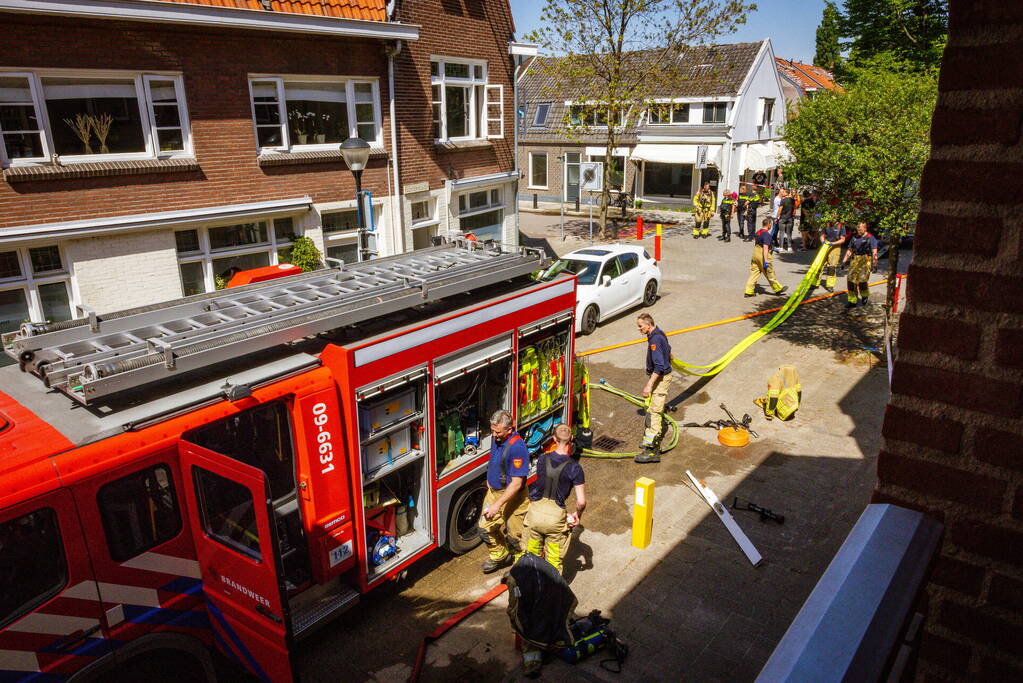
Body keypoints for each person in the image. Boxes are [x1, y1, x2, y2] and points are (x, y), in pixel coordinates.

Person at [523, 424, 586, 574]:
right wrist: (577, 515)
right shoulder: (575, 468)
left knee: (531, 556)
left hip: (535, 514)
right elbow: (581, 502)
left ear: (553, 439)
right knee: (553, 561)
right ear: (571, 439)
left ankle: (531, 587)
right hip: (555, 518)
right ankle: (550, 592)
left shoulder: (542, 459)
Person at [478, 409, 530, 573]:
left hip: (513, 498)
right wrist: (490, 478)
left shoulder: (517, 448)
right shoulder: (498, 438)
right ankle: (500, 556)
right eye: (492, 431)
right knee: (485, 529)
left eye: (497, 432)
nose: (494, 435)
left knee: (516, 538)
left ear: (510, 429)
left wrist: (497, 505)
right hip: (495, 492)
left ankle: (520, 569)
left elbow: (516, 484)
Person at [635, 313, 671, 463]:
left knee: (655, 412)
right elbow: (668, 348)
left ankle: (652, 451)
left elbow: (659, 366)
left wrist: (649, 385)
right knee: (651, 410)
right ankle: (649, 441)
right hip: (660, 377)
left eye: (640, 326)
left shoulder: (655, 339)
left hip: (660, 379)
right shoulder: (658, 333)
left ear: (648, 325)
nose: (639, 329)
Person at [745, 217, 788, 298]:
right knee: (769, 272)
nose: (771, 226)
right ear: (768, 225)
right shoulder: (767, 235)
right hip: (763, 255)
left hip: (755, 253)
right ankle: (778, 289)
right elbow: (765, 248)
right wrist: (765, 261)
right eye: (771, 224)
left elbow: (759, 243)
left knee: (754, 273)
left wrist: (773, 248)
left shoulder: (758, 232)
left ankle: (748, 291)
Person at [841, 221, 878, 309]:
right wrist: (844, 261)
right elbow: (850, 250)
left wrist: (875, 264)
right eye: (857, 228)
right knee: (850, 280)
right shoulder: (854, 238)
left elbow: (874, 252)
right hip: (855, 260)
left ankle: (864, 296)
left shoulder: (870, 238)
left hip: (866, 260)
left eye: (860, 228)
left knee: (862, 280)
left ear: (865, 228)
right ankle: (852, 301)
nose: (858, 230)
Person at [818, 220, 846, 292]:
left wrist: (833, 243)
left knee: (831, 267)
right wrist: (823, 242)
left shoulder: (841, 226)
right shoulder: (827, 223)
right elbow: (822, 235)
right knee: (819, 265)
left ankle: (830, 285)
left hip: (835, 247)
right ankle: (815, 283)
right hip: (825, 246)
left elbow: (843, 239)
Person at [775, 188, 796, 252]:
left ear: (787, 193)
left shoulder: (783, 200)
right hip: (790, 218)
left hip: (783, 218)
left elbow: (780, 209)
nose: (782, 193)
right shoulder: (792, 200)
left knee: (782, 233)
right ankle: (789, 247)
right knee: (789, 233)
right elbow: (794, 208)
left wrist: (776, 217)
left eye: (783, 192)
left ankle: (781, 247)